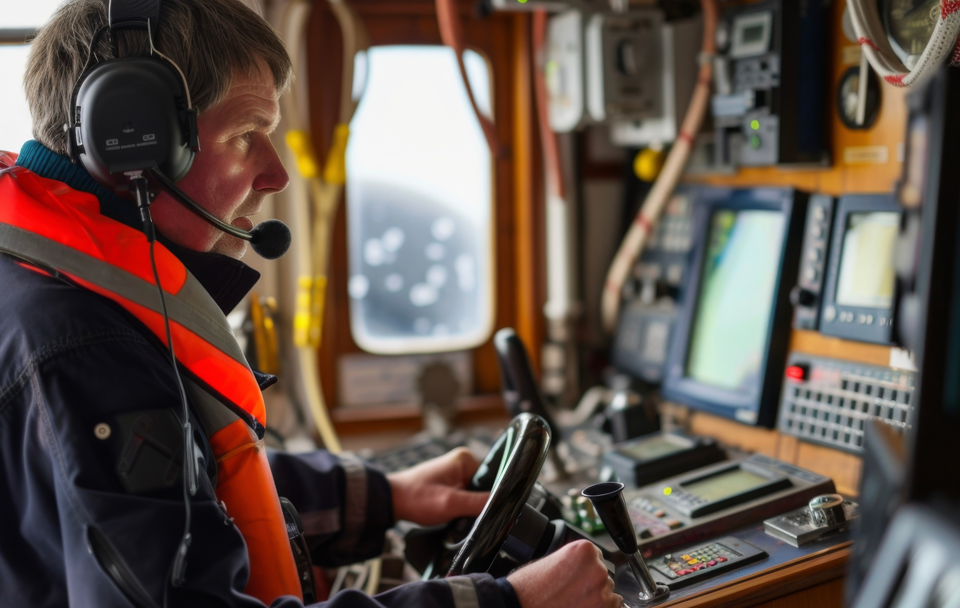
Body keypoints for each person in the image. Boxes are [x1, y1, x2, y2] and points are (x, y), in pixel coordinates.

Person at [0, 0, 622, 607]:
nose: (277, 174)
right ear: (133, 145)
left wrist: (386, 496)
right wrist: (504, 602)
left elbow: (185, 493)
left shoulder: (58, 279)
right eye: (247, 135)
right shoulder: (85, 349)